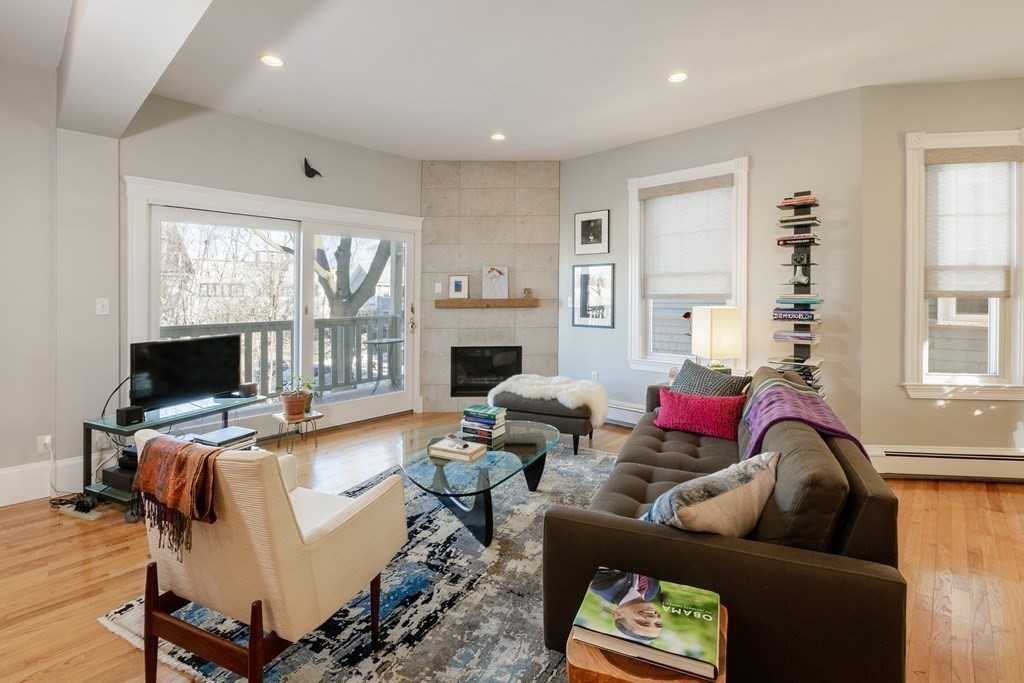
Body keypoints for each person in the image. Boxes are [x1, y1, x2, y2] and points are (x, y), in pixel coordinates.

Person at [588, 568, 663, 641]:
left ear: (618, 614)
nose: (654, 619)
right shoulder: (653, 593)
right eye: (658, 623)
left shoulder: (600, 585)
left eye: (643, 623)